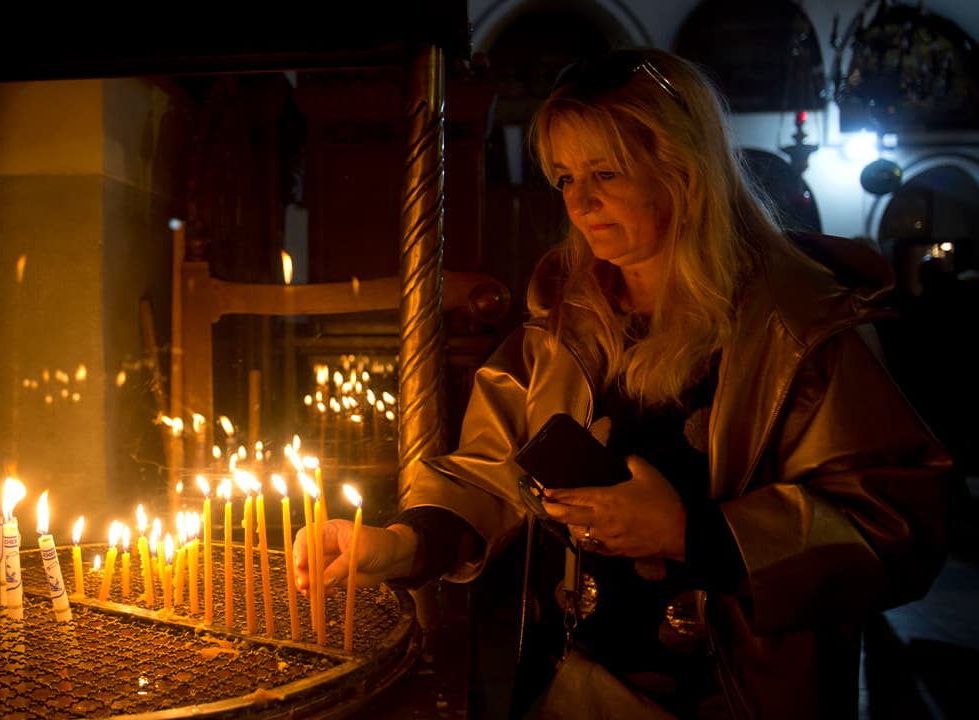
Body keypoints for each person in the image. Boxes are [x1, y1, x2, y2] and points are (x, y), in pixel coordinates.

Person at [294, 48, 952, 719]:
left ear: (685, 171)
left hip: (735, 691)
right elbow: (489, 468)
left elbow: (896, 526)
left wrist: (692, 534)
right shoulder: (567, 315)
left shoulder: (802, 328)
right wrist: (402, 545)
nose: (579, 202)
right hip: (569, 677)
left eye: (604, 173)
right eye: (564, 179)